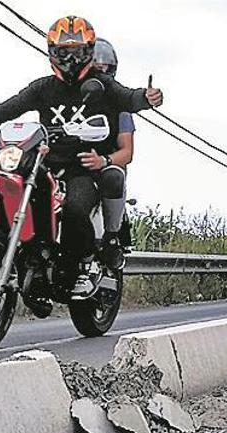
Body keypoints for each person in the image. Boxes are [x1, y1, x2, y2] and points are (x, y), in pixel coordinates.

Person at [0, 15, 163, 298]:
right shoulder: (43, 87)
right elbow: (11, 105)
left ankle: (84, 264)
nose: (70, 57)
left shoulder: (102, 85)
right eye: (63, 51)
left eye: (76, 51)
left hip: (83, 167)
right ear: (52, 51)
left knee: (75, 208)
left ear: (88, 51)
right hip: (45, 163)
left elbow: (127, 97)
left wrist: (147, 98)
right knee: (15, 183)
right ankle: (12, 252)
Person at [91, 38, 134, 270]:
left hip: (103, 169)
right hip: (69, 165)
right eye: (93, 68)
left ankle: (111, 237)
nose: (99, 74)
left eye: (104, 69)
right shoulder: (64, 98)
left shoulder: (119, 106)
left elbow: (126, 152)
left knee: (113, 176)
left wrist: (105, 161)